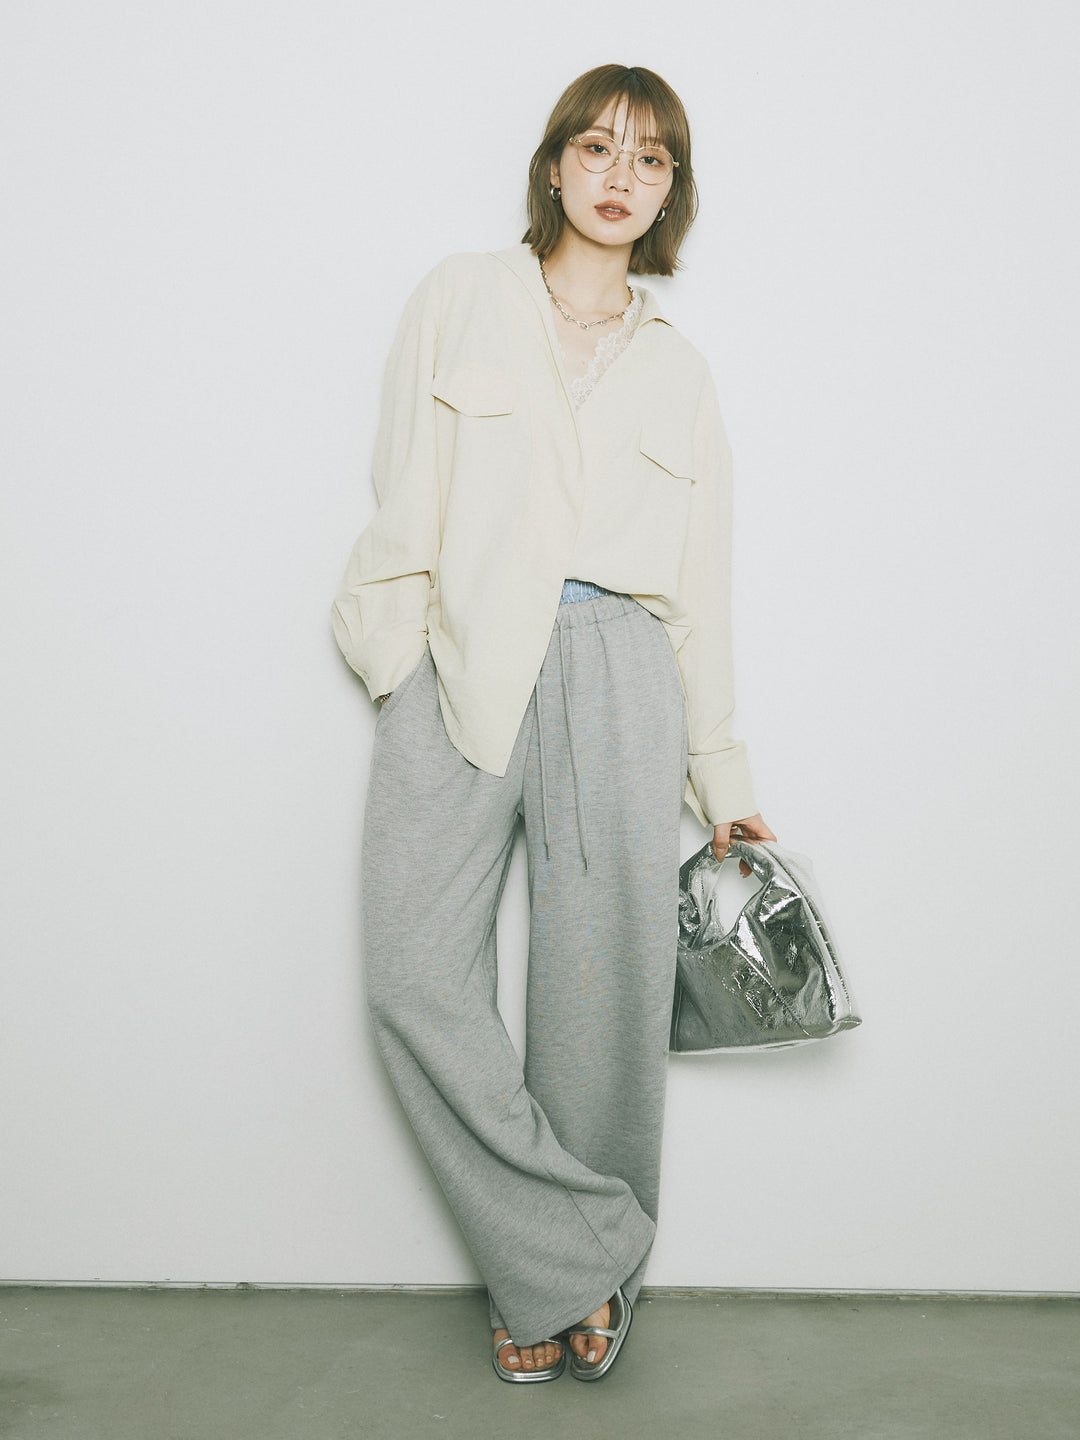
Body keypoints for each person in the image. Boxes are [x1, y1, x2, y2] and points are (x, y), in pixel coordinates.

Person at [331, 62, 777, 1384]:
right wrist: (396, 660)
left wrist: (722, 777)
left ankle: (570, 1291)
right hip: (462, 658)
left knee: (599, 996)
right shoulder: (463, 295)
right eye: (597, 146)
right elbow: (401, 485)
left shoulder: (680, 373)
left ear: (671, 191)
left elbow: (699, 589)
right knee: (413, 977)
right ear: (554, 165)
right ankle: (578, 1248)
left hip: (620, 671)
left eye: (650, 158)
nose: (620, 175)